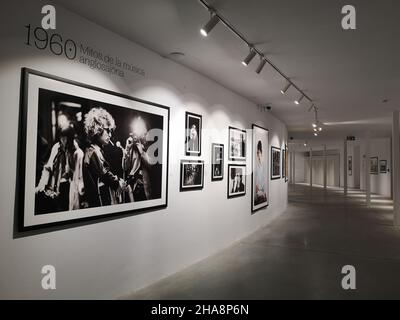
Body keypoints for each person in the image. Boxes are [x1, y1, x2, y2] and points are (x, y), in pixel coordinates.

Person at [35, 125, 84, 213]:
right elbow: (48, 168)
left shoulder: (77, 153)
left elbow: (79, 177)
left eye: (66, 138)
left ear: (71, 138)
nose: (64, 140)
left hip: (70, 188)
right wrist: (41, 185)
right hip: (56, 187)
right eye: (62, 137)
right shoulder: (56, 148)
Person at [83, 107, 125, 207]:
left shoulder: (94, 150)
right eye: (107, 130)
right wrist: (117, 182)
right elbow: (104, 175)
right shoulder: (93, 152)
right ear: (98, 129)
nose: (110, 135)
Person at [122, 116, 152, 202]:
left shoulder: (150, 146)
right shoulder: (131, 147)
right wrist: (127, 149)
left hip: (146, 188)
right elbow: (124, 167)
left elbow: (151, 166)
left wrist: (142, 152)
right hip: (134, 188)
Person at [254, 140, 267, 205]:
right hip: (258, 188)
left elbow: (264, 178)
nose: (258, 154)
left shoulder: (263, 164)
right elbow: (256, 177)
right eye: (257, 153)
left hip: (261, 188)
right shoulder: (257, 164)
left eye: (259, 152)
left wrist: (263, 190)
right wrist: (257, 187)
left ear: (261, 153)